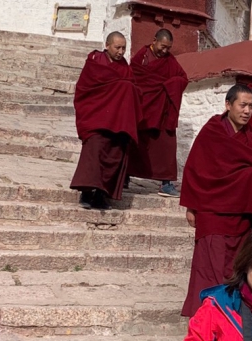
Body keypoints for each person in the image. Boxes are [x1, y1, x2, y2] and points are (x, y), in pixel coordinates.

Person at [180, 84, 252, 317]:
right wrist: (191, 206)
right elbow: (195, 169)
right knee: (210, 268)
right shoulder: (213, 131)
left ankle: (232, 318)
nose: (247, 111)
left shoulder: (250, 137)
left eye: (251, 106)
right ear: (228, 105)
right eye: (243, 105)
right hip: (212, 212)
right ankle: (206, 319)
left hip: (242, 216)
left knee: (237, 268)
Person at [70, 31, 142, 210]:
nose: (121, 51)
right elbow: (84, 90)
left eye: (124, 48)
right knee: (93, 152)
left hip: (118, 122)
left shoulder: (125, 67)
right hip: (97, 118)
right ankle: (86, 193)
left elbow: (134, 90)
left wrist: (126, 89)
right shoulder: (95, 63)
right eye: (117, 47)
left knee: (114, 155)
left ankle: (102, 195)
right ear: (107, 45)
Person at [127, 29, 189, 197]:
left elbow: (183, 78)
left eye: (168, 48)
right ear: (154, 40)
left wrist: (169, 85)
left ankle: (166, 183)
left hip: (162, 111)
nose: (165, 51)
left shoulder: (170, 61)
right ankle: (125, 175)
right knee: (134, 142)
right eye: (163, 46)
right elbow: (133, 79)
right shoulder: (141, 57)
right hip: (142, 108)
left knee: (166, 146)